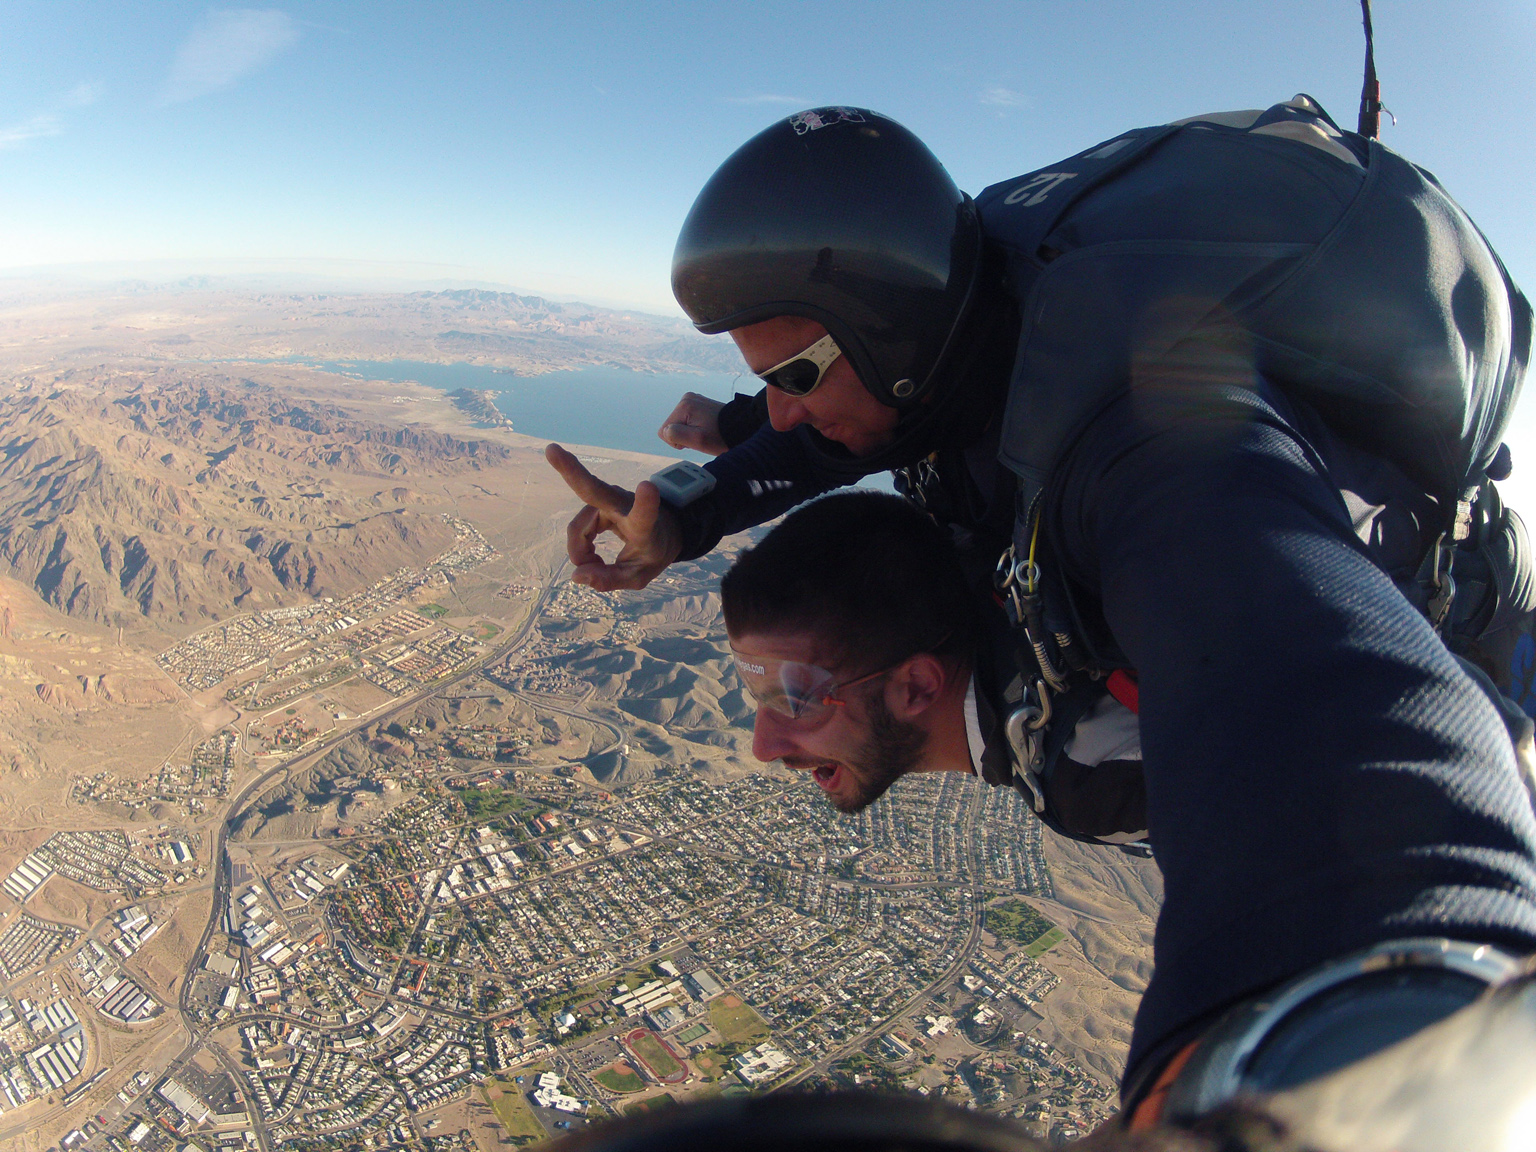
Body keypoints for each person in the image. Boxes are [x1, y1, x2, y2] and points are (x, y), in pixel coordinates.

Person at [545, 98, 1536, 1115]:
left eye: (795, 374)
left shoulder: (1158, 467)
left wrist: (1336, 1068)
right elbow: (851, 425)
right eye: (764, 384)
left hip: (1478, 649)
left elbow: (1335, 725)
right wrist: (692, 508)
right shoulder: (964, 337)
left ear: (889, 336)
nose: (782, 410)